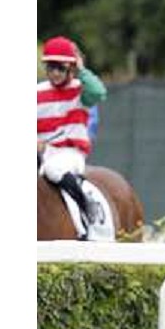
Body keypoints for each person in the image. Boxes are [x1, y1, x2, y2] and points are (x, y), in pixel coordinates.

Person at [37, 36, 107, 233]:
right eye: (51, 67)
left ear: (70, 68)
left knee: (53, 169)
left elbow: (99, 92)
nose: (55, 73)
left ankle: (86, 208)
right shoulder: (37, 92)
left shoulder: (80, 90)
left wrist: (82, 70)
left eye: (60, 67)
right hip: (44, 153)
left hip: (70, 154)